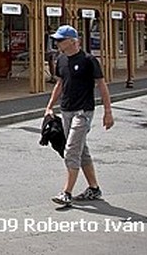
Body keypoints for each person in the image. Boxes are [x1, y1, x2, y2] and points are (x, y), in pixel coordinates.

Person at [44, 25, 114, 206]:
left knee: (71, 151)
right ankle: (94, 188)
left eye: (61, 39)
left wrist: (108, 112)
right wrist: (50, 106)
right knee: (82, 151)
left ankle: (66, 192)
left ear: (73, 41)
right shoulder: (61, 60)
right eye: (57, 39)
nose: (57, 42)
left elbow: (102, 85)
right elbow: (59, 84)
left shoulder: (89, 60)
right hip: (66, 110)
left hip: (83, 111)